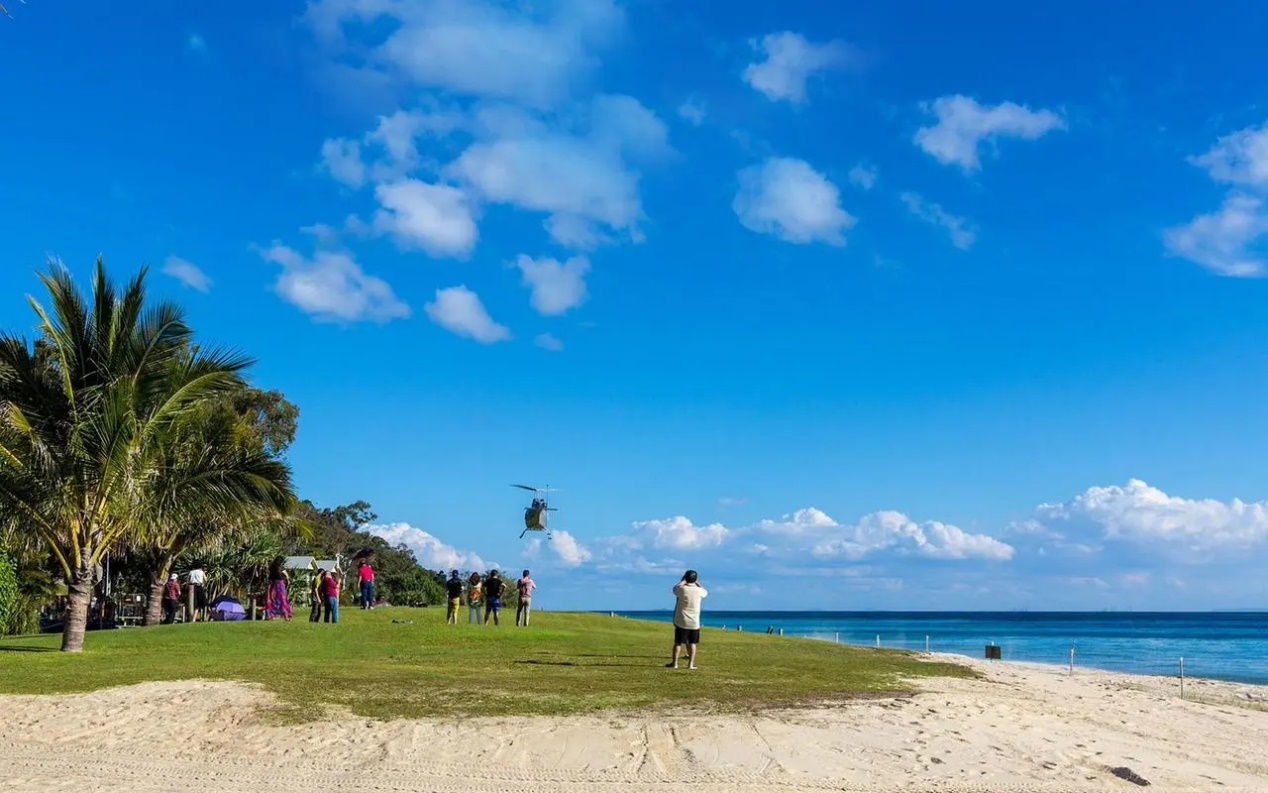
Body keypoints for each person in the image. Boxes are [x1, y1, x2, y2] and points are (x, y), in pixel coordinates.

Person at [667, 569, 707, 670]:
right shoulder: (699, 591)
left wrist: (683, 581)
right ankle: (690, 664)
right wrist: (696, 582)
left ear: (686, 578)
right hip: (694, 622)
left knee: (678, 643)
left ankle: (675, 663)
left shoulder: (682, 589)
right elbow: (705, 591)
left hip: (681, 620)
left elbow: (675, 588)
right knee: (692, 643)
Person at [265, 556, 293, 621]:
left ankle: (270, 616)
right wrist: (287, 580)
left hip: (272, 584)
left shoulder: (271, 567)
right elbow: (287, 576)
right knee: (283, 600)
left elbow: (270, 576)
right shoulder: (281, 567)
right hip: (280, 584)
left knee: (272, 600)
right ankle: (286, 617)